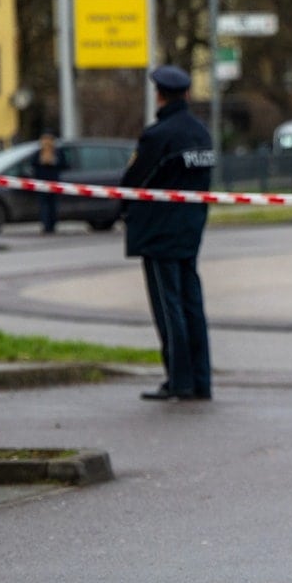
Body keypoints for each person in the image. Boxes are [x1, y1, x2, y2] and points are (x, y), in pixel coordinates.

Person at [121, 65, 216, 402]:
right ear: (186, 94)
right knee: (192, 305)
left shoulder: (158, 136)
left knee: (168, 308)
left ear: (159, 95)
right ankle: (201, 380)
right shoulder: (201, 134)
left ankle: (179, 380)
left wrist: (123, 211)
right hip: (190, 230)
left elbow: (133, 183)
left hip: (159, 233)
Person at [34, 134, 61, 234]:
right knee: (51, 205)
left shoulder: (39, 153)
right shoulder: (56, 153)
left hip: (43, 183)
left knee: (45, 205)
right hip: (52, 182)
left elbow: (33, 165)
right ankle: (51, 226)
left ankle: (47, 225)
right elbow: (64, 164)